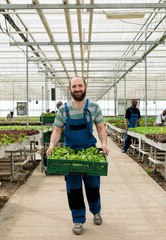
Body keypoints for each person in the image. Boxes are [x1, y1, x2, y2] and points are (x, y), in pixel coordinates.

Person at [46, 76, 109, 235]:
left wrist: (104, 143)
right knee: (73, 189)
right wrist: (52, 145)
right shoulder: (63, 110)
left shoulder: (94, 108)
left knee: (93, 186)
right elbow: (57, 130)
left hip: (89, 152)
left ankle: (96, 211)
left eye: (80, 85)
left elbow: (101, 128)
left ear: (85, 86)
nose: (77, 89)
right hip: (70, 154)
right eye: (74, 86)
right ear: (70, 89)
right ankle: (78, 219)